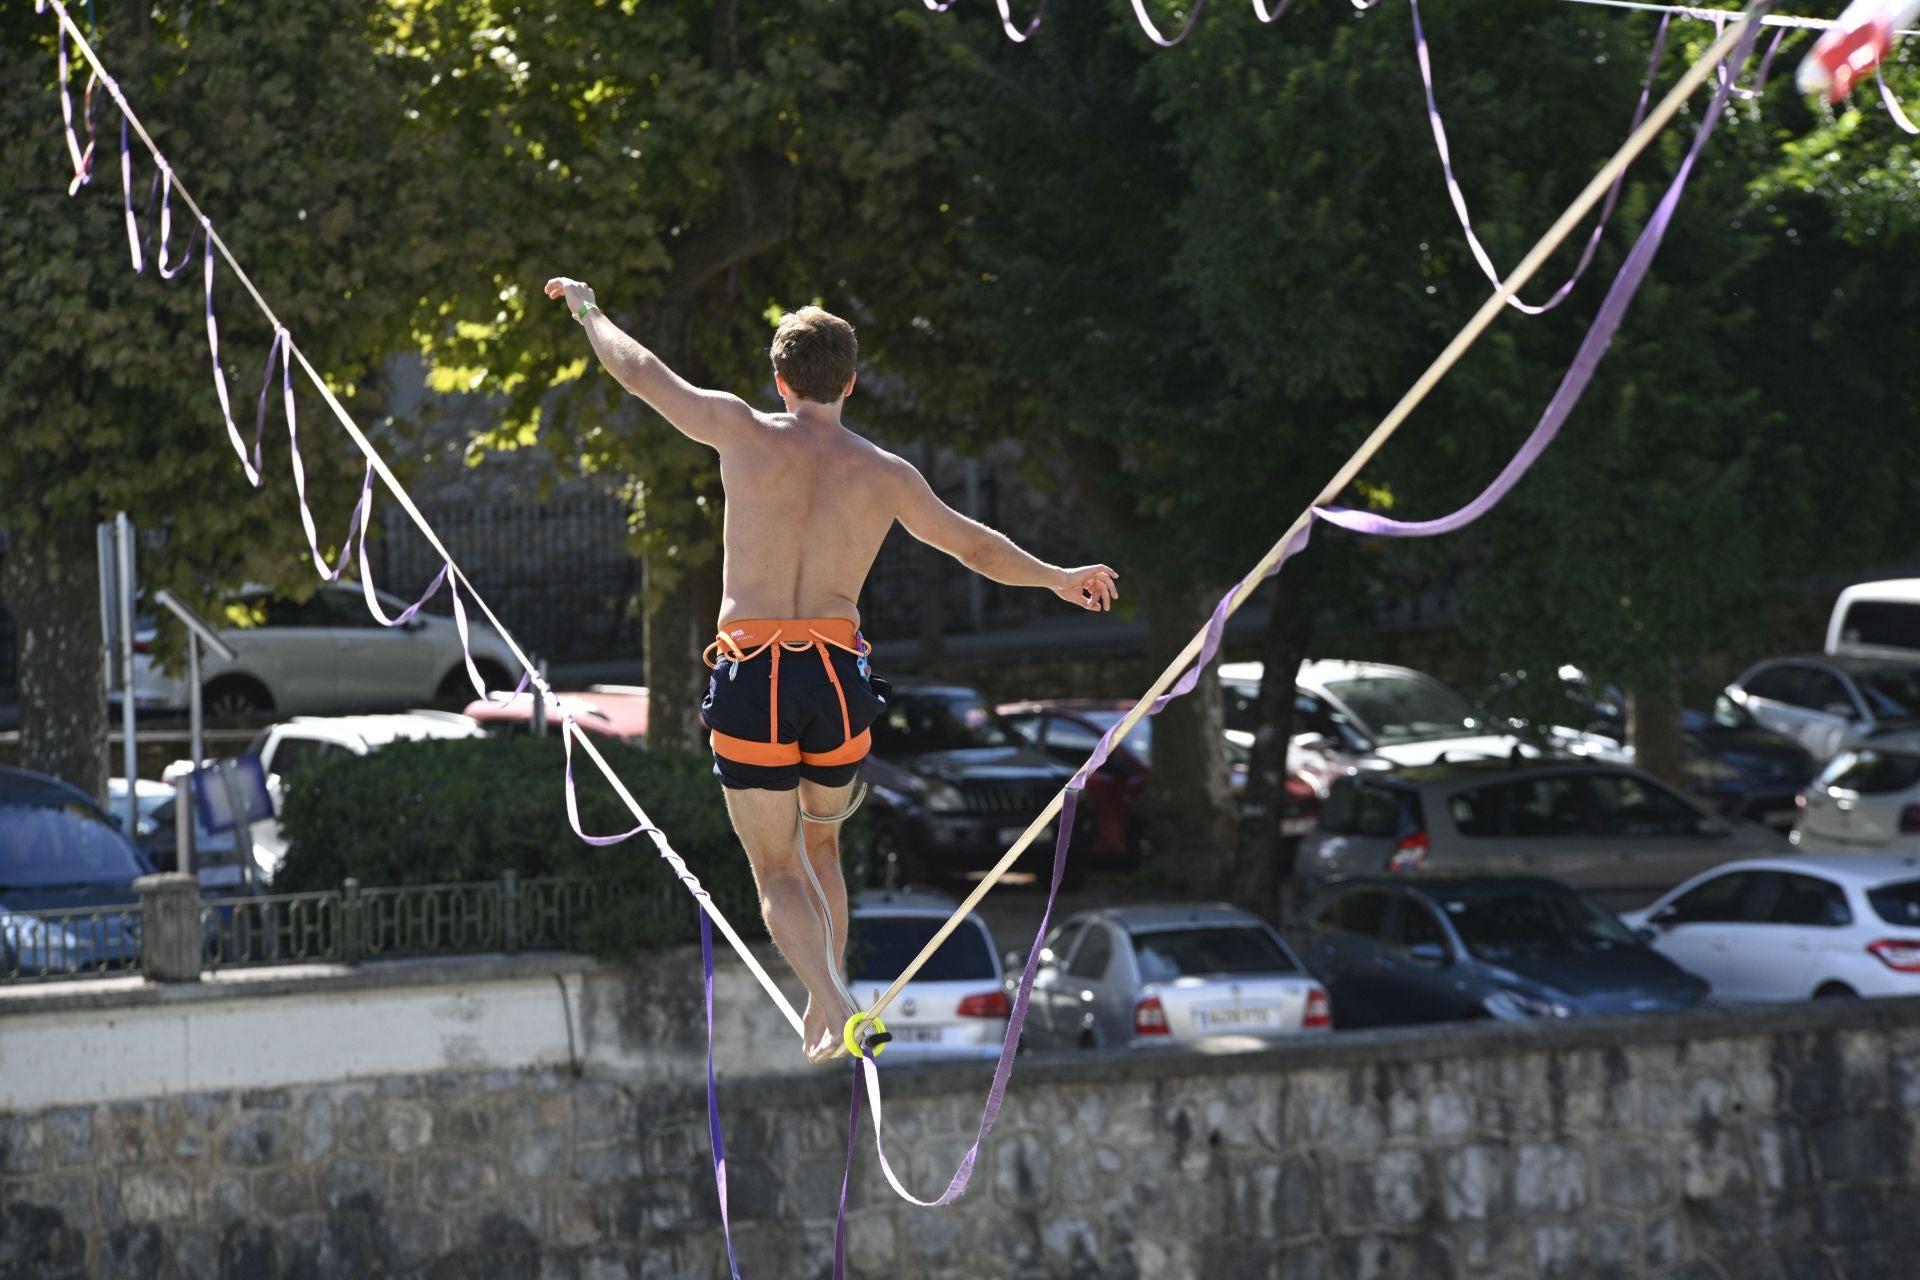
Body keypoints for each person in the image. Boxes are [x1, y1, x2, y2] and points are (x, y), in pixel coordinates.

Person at [545, 278, 1118, 1062]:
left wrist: (587, 308)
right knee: (822, 851)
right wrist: (1058, 575)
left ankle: (828, 997)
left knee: (775, 864)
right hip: (834, 681)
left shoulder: (743, 432)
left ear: (780, 380)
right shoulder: (885, 473)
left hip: (754, 676)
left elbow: (641, 371)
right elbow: (975, 547)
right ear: (850, 380)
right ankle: (834, 995)